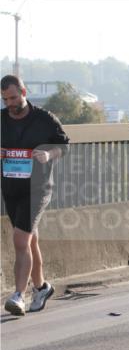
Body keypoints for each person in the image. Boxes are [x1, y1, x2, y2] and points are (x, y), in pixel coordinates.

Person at [1, 75, 70, 316]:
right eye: (5, 99)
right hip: (11, 189)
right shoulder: (1, 119)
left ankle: (18, 295)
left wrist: (48, 155)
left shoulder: (44, 119)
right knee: (30, 241)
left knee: (20, 240)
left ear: (24, 92)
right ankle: (41, 288)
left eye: (13, 97)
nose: (9, 103)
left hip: (37, 189)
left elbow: (64, 145)